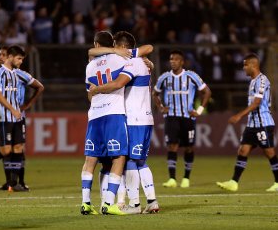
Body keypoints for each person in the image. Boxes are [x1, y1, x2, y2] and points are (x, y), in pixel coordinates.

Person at [89, 31, 160, 214]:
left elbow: (118, 84)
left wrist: (97, 89)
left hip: (134, 118)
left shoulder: (132, 61)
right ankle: (151, 201)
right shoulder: (139, 61)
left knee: (128, 160)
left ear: (121, 48)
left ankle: (134, 204)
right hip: (142, 117)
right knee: (139, 161)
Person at [0, 46, 44, 191]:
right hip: (4, 117)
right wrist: (2, 107)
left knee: (18, 148)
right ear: (11, 57)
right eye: (19, 58)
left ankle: (14, 183)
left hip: (18, 117)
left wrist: (26, 105)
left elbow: (38, 87)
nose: (20, 62)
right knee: (6, 151)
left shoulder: (17, 73)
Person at [80, 31, 129, 215]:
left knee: (90, 159)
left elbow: (89, 94)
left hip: (95, 115)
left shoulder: (90, 67)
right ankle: (108, 203)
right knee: (119, 157)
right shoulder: (121, 60)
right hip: (114, 114)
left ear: (96, 44)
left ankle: (85, 203)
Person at [217, 53, 278, 192]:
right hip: (252, 124)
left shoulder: (262, 80)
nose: (243, 68)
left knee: (269, 152)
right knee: (243, 150)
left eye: (245, 65)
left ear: (253, 65)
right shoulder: (252, 81)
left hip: (263, 123)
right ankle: (234, 182)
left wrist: (239, 116)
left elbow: (257, 103)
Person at [153, 49, 212, 188]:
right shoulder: (164, 77)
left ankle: (186, 178)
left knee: (189, 147)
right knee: (172, 146)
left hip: (187, 117)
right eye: (171, 59)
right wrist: (161, 107)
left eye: (176, 59)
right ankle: (172, 178)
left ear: (182, 62)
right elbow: (155, 93)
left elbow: (207, 92)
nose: (173, 62)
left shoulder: (192, 76)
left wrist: (199, 110)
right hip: (171, 116)